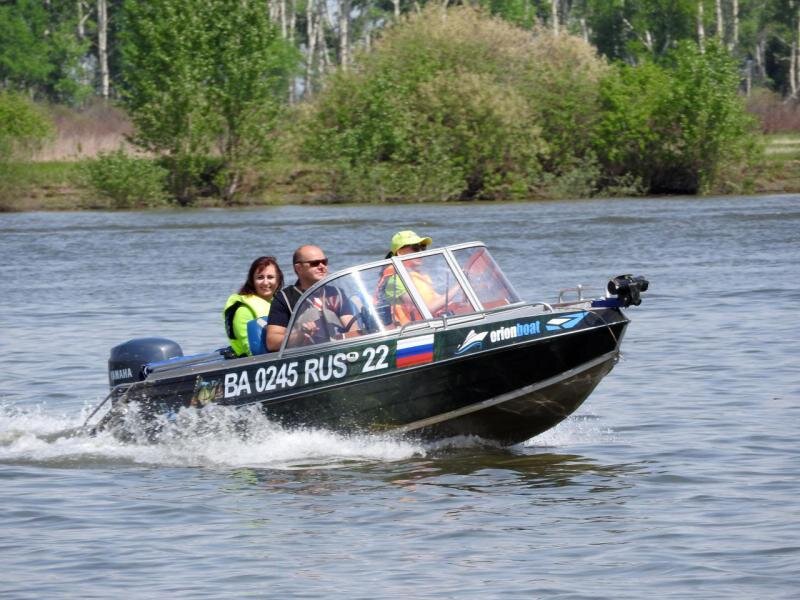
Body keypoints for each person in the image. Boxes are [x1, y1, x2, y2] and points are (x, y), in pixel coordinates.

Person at [266, 245, 357, 351]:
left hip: (339, 351)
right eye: (315, 263)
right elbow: (272, 342)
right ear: (298, 268)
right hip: (307, 356)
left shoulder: (336, 293)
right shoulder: (284, 298)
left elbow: (352, 327)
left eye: (324, 262)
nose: (322, 266)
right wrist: (299, 335)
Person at [376, 230, 465, 324]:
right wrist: (459, 285)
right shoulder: (395, 281)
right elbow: (427, 309)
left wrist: (460, 302)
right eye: (415, 248)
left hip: (425, 324)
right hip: (409, 332)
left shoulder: (415, 276)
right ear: (400, 253)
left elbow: (438, 300)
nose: (420, 252)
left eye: (422, 248)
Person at [223, 256, 284, 357]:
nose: (265, 282)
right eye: (260, 277)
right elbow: (250, 352)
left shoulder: (281, 304)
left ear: (278, 280)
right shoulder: (243, 310)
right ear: (252, 281)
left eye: (270, 277)